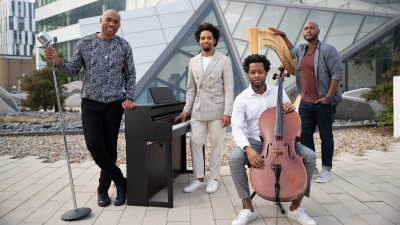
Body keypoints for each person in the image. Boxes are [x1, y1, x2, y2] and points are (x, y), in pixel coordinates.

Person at [44, 9, 136, 207]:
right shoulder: (84, 42)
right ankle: (120, 180)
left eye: (116, 22)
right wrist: (58, 62)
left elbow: (130, 75)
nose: (112, 24)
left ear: (119, 25)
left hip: (114, 104)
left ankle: (103, 189)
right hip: (90, 103)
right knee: (94, 145)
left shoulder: (124, 45)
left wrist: (129, 97)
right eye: (109, 20)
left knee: (110, 149)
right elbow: (72, 70)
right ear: (101, 20)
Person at [229, 54, 317, 225]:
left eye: (260, 72)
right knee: (234, 159)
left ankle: (295, 208)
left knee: (310, 156)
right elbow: (237, 128)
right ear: (248, 74)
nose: (256, 76)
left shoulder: (278, 92)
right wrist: (248, 149)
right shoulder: (241, 99)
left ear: (266, 72)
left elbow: (293, 120)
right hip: (254, 141)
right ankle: (248, 209)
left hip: (283, 140)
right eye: (253, 72)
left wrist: (292, 108)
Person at [269, 21, 343, 183]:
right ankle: (311, 166)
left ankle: (326, 169)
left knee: (326, 136)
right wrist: (283, 36)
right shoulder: (301, 50)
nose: (308, 31)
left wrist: (328, 98)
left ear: (318, 31)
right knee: (304, 135)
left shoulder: (328, 50)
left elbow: (337, 75)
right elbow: (290, 50)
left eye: (312, 28)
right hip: (306, 102)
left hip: (324, 102)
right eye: (306, 28)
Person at [174, 22, 234, 194]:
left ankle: (213, 178)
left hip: (218, 110)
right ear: (199, 41)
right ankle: (199, 179)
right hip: (198, 110)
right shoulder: (193, 61)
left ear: (215, 40)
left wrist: (227, 112)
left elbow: (229, 89)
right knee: (195, 142)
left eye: (209, 38)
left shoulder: (224, 60)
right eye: (202, 38)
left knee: (216, 145)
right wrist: (186, 110)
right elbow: (191, 89)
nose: (205, 40)